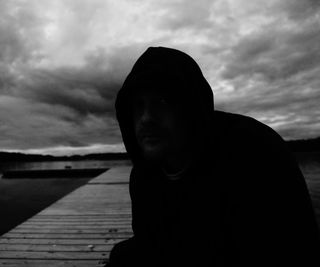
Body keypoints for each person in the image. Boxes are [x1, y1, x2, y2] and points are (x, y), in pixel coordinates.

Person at [106, 46, 320, 266]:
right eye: (138, 106)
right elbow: (151, 242)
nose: (146, 118)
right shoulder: (144, 175)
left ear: (190, 107)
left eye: (161, 102)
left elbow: (293, 251)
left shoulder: (254, 153)